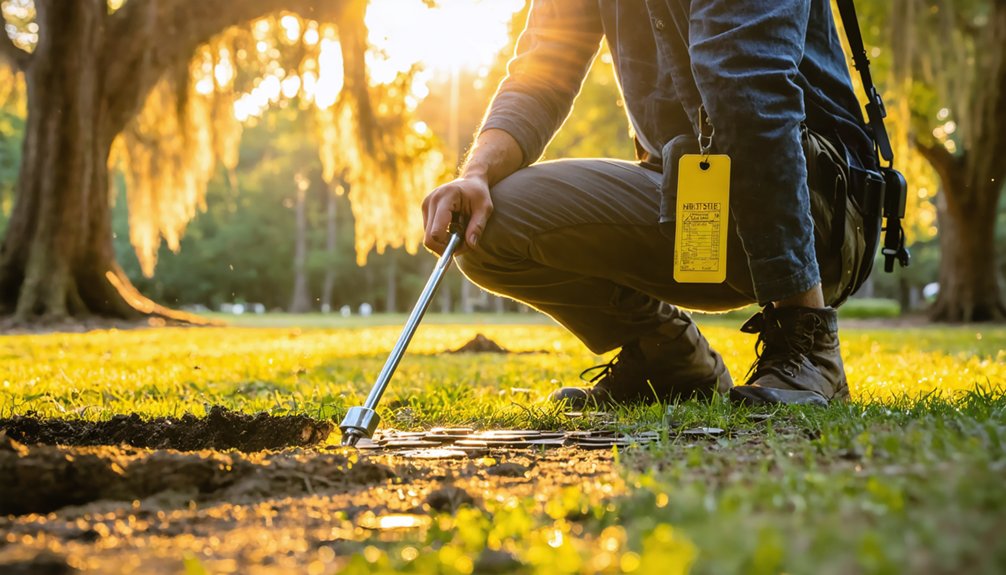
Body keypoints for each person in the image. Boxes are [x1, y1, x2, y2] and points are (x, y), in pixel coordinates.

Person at [421, 1, 878, 407]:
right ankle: (667, 357)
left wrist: (800, 311)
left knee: (738, 79)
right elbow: (541, 73)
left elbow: (746, 74)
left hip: (821, 210)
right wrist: (476, 173)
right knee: (485, 224)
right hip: (685, 196)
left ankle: (809, 340)